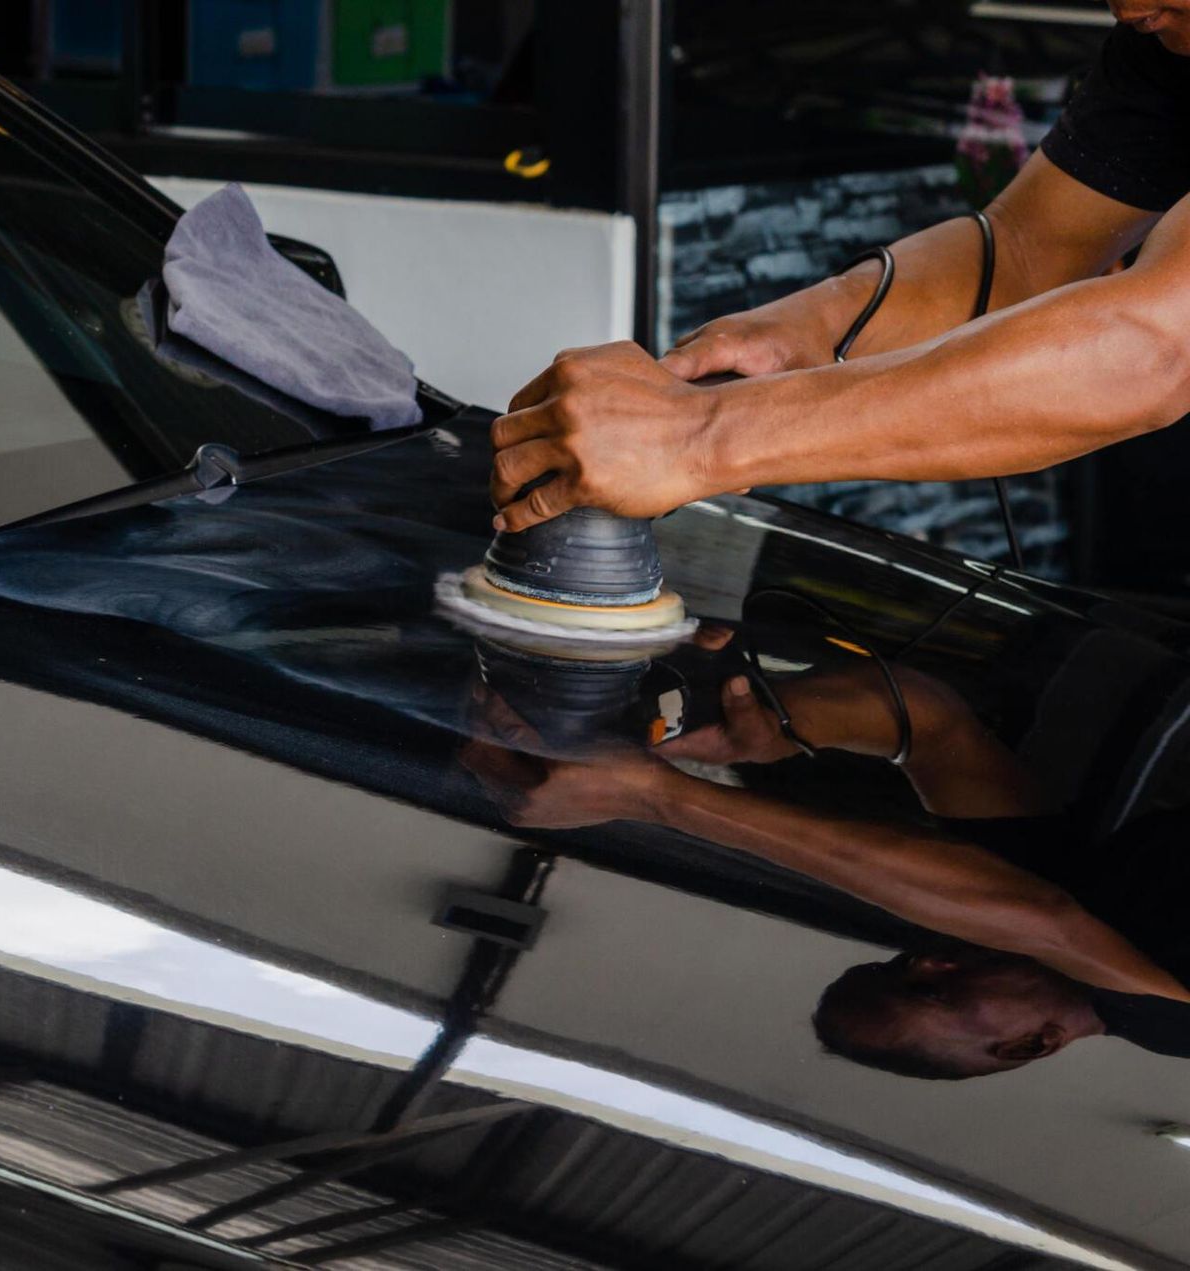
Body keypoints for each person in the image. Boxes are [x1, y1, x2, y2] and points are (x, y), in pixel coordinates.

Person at [490, 5, 1190, 534]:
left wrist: (700, 436)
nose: (1130, 9)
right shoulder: (1163, 43)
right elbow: (1023, 248)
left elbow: (1158, 346)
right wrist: (811, 325)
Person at [458, 640, 1190, 1078]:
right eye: (930, 993)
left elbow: (928, 725)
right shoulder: (1170, 1021)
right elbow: (1042, 921)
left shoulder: (1059, 894)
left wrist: (779, 721)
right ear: (1030, 1043)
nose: (929, 960)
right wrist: (659, 798)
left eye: (900, 965)